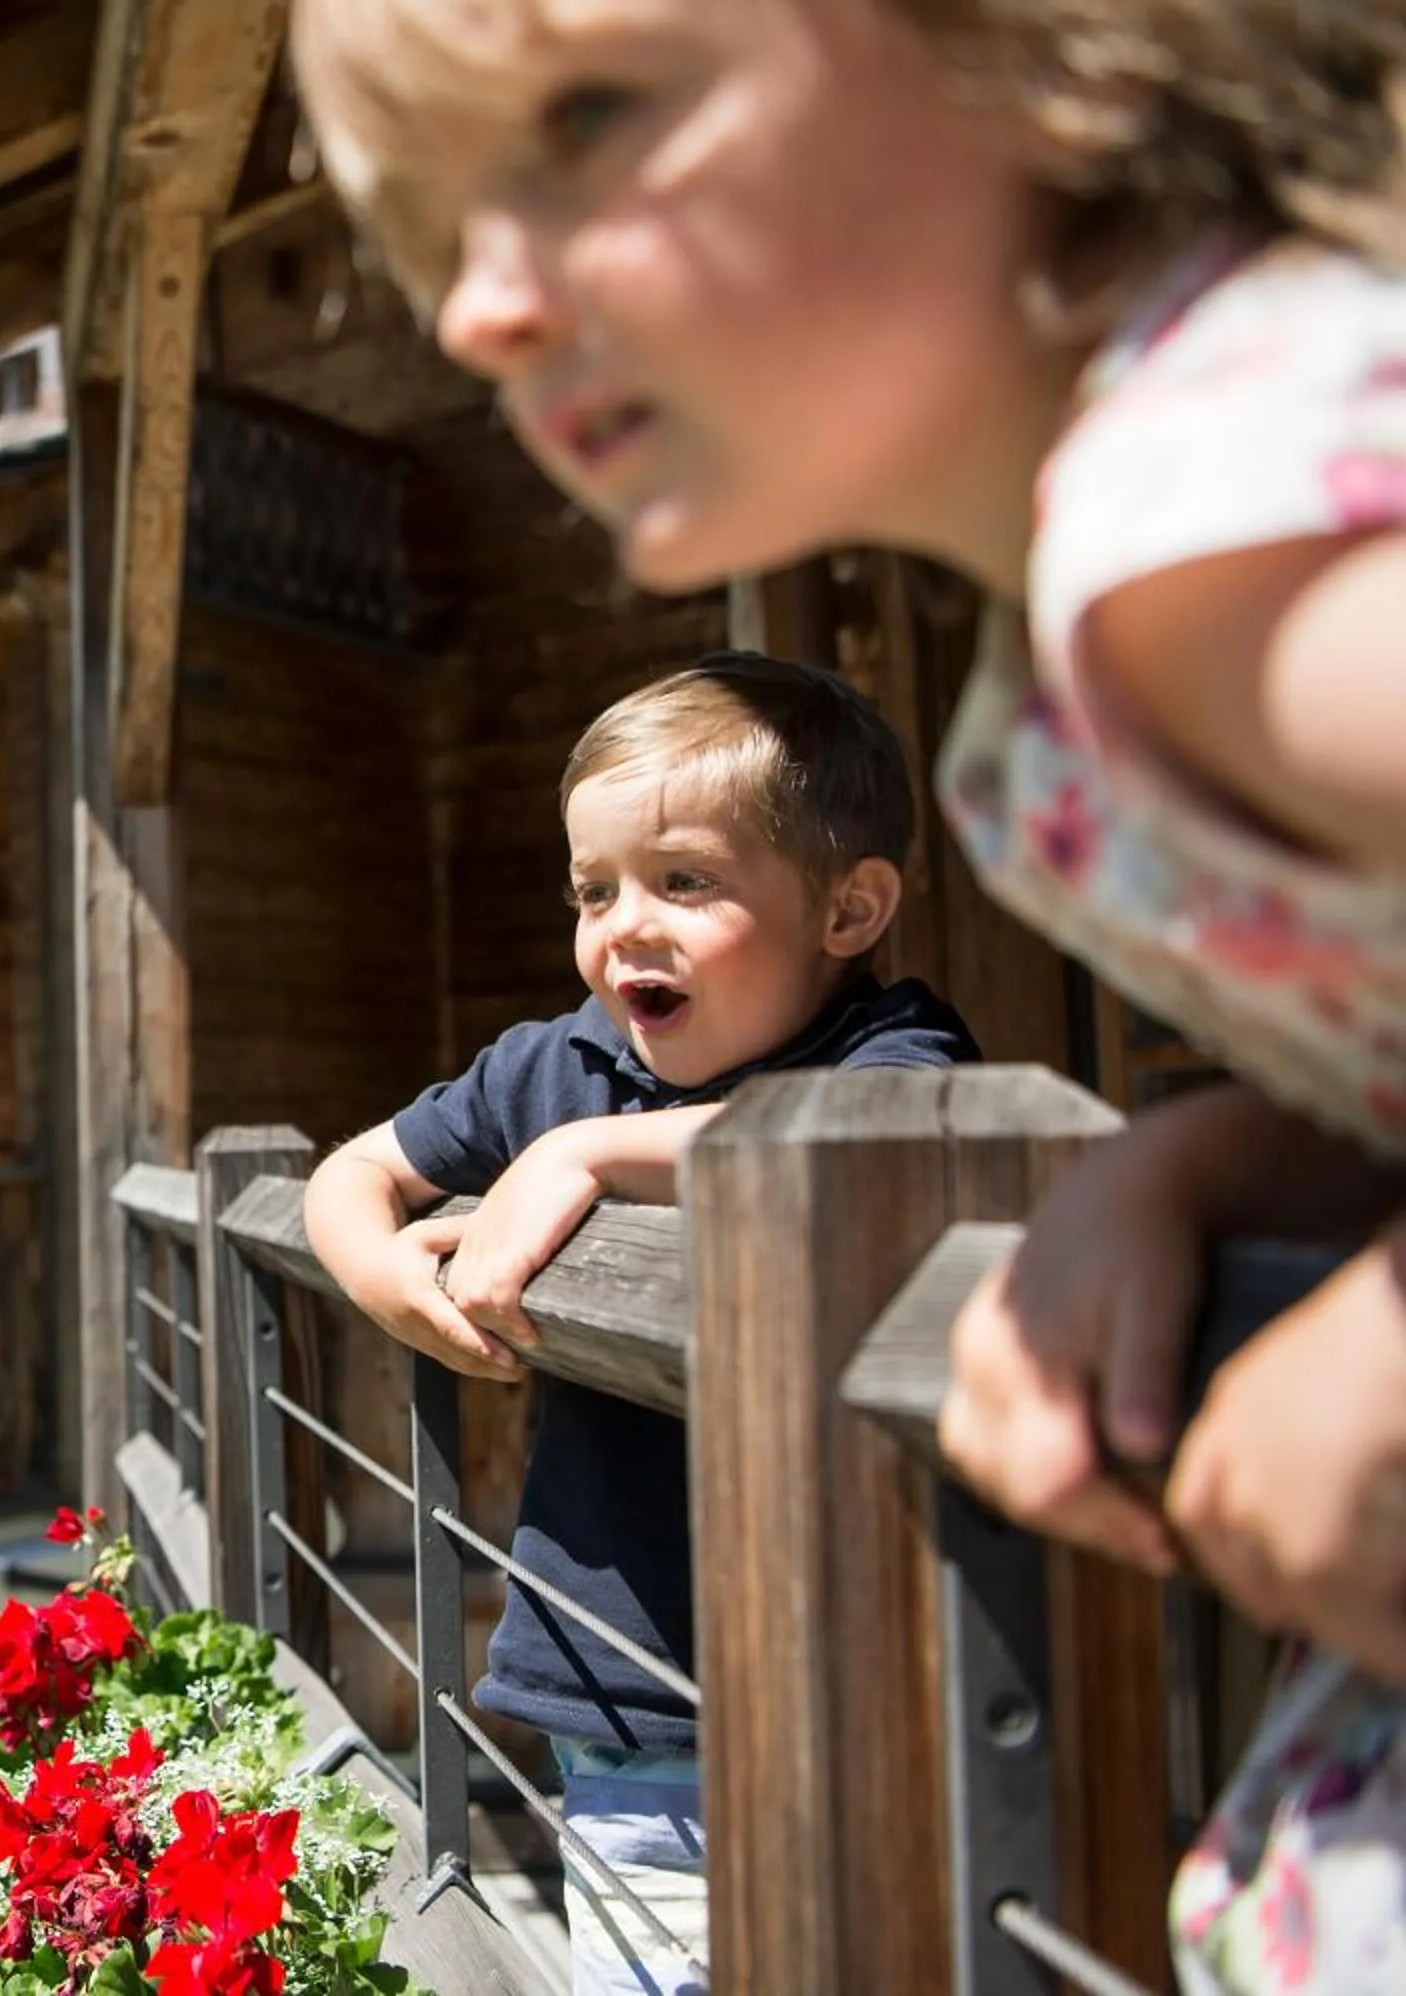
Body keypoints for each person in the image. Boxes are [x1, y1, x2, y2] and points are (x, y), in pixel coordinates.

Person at [287, 0, 1406, 1985]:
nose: (473, 308)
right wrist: (1239, 1154)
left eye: (590, 117)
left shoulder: (1224, 521)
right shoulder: (1073, 647)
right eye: (447, 220)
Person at [305, 653, 977, 1995]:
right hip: (626, 1698)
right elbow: (348, 1174)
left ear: (850, 909)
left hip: (860, 1691)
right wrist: (394, 1290)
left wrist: (587, 1159)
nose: (626, 929)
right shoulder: (553, 1061)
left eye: (685, 882)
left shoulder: (891, 1052)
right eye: (593, 890)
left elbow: (870, 1144)